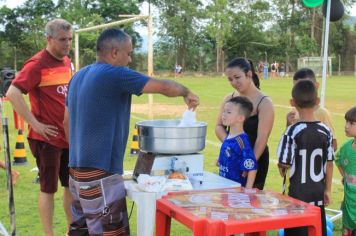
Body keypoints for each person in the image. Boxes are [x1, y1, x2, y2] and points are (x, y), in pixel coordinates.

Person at [64, 28, 199, 235]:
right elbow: (163, 87)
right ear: (115, 52)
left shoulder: (77, 77)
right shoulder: (115, 74)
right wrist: (186, 91)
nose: (130, 60)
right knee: (111, 231)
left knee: (80, 231)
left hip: (76, 172)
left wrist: (79, 152)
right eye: (128, 53)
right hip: (100, 173)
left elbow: (66, 121)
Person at [6, 19, 73, 235]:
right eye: (63, 40)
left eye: (70, 39)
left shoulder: (67, 61)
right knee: (48, 188)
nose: (67, 44)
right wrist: (35, 124)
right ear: (49, 39)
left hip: (67, 136)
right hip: (47, 139)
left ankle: (73, 230)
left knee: (70, 185)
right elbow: (12, 93)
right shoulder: (36, 64)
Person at [277, 80, 333, 236]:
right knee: (316, 230)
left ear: (292, 103)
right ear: (317, 102)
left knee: (297, 230)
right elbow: (329, 163)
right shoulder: (326, 130)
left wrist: (281, 168)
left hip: (297, 194)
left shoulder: (292, 131)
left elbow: (284, 164)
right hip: (317, 193)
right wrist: (327, 189)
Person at [215, 57, 274, 190]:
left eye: (237, 77)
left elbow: (262, 137)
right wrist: (231, 145)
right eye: (230, 79)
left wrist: (249, 162)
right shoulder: (228, 99)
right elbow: (219, 126)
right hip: (232, 158)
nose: (234, 82)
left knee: (250, 202)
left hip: (255, 158)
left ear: (249, 74)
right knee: (228, 198)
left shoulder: (264, 103)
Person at [286, 68, 337, 150]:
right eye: (297, 87)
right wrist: (288, 124)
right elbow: (289, 140)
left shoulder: (322, 113)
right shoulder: (293, 112)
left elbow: (333, 144)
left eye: (306, 86)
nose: (302, 91)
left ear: (316, 86)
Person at [217, 96, 257, 188]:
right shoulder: (228, 136)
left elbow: (252, 167)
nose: (224, 114)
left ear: (240, 118)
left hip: (235, 190)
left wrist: (248, 190)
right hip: (224, 186)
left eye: (229, 112)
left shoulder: (241, 141)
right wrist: (220, 159)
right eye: (224, 111)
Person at [335, 106, 356, 236]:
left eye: (351, 123)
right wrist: (346, 176)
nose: (346, 126)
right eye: (346, 122)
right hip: (349, 202)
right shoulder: (346, 148)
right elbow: (337, 159)